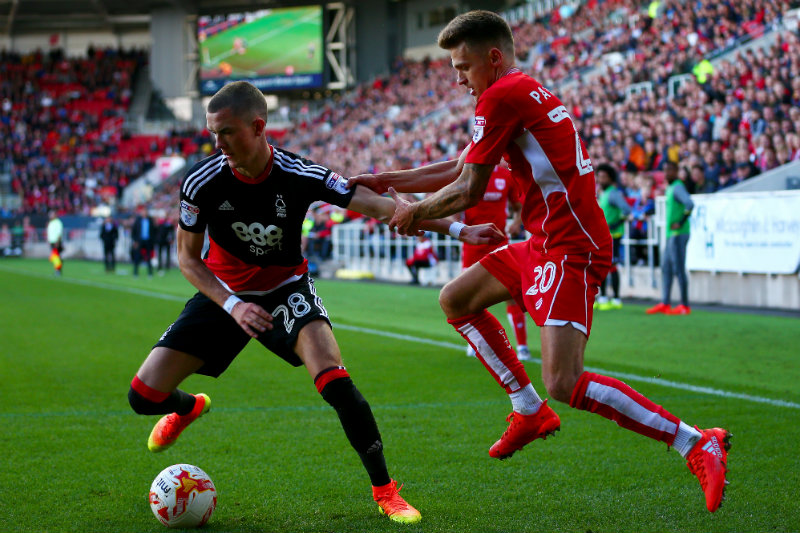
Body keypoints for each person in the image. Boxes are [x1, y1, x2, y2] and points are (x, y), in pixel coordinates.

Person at [350, 10, 730, 513]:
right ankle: (528, 411)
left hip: (571, 246)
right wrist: (390, 180)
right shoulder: (519, 91)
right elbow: (464, 165)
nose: (457, 78)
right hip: (542, 241)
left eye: (463, 67)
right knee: (456, 299)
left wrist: (412, 213)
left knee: (565, 381)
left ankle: (692, 441)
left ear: (493, 57)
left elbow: (470, 187)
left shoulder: (502, 95)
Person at [126, 80, 503, 525]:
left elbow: (382, 208)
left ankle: (386, 492)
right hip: (223, 295)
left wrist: (460, 231)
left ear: (258, 126)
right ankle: (189, 407)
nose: (217, 142)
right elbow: (187, 260)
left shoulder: (299, 173)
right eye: (212, 132)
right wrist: (233, 306)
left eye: (226, 132)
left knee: (337, 382)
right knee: (143, 397)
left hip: (287, 290)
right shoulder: (201, 182)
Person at [460, 162, 530, 360]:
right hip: (472, 244)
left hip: (498, 242)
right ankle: (475, 342)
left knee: (513, 292)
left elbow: (517, 207)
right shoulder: (469, 173)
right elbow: (455, 207)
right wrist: (457, 228)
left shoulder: (505, 176)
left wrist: (516, 222)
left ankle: (522, 346)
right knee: (470, 296)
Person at [647, 161, 694, 315]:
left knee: (678, 268)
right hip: (670, 234)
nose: (666, 173)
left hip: (678, 234)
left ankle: (684, 305)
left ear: (676, 171)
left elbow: (689, 204)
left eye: (669, 170)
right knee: (666, 267)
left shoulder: (678, 187)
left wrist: (680, 222)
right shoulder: (671, 187)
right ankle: (665, 302)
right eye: (665, 170)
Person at [594, 163, 631, 310]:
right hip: (604, 236)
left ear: (610, 178)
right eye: (599, 176)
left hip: (613, 236)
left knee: (612, 266)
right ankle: (603, 297)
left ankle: (615, 299)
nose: (600, 179)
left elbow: (627, 210)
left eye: (604, 177)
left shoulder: (613, 193)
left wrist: (617, 223)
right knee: (603, 266)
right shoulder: (604, 193)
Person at [130, 205, 155, 277]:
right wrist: (135, 241)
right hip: (139, 241)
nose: (144, 213)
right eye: (143, 212)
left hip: (148, 241)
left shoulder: (150, 220)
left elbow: (153, 231)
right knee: (137, 257)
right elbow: (133, 231)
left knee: (149, 257)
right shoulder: (138, 221)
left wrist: (152, 240)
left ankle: (150, 273)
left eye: (145, 212)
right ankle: (135, 272)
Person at [46, 210, 64, 276]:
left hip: (56, 242)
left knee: (55, 256)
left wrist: (57, 242)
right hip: (52, 242)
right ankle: (57, 270)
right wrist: (48, 240)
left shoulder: (58, 223)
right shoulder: (51, 223)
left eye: (52, 214)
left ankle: (58, 270)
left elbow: (59, 233)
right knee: (55, 257)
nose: (50, 216)